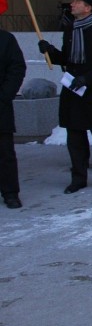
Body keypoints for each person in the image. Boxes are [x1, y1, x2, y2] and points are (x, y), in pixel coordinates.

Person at [38, 0, 92, 193]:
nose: (72, 4)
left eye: (76, 1)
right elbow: (67, 59)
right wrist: (50, 51)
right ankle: (78, 178)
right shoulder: (71, 28)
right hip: (73, 91)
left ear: (88, 7)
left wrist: (87, 79)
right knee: (75, 138)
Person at [0, 29, 26, 209]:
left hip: (0, 104)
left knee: (4, 153)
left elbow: (17, 68)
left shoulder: (6, 39)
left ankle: (10, 193)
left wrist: (4, 95)